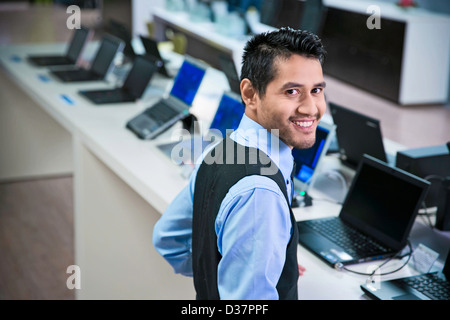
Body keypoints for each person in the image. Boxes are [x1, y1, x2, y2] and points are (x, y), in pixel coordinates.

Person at [153, 27, 327, 300]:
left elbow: (167, 240)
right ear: (250, 94)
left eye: (316, 90)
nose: (311, 107)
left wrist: (232, 270)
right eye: (292, 91)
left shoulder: (219, 150)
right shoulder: (260, 193)